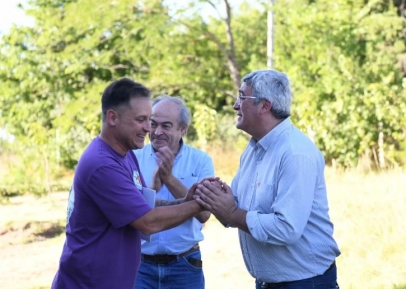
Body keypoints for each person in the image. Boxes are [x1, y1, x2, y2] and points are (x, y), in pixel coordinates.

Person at [52, 78, 205, 289]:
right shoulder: (102, 164)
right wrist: (200, 204)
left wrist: (183, 201)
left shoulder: (124, 153)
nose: (148, 129)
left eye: (149, 120)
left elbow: (140, 205)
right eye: (141, 120)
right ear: (113, 117)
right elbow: (147, 222)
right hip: (89, 283)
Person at [194, 69, 341, 289]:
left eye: (242, 97)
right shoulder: (254, 149)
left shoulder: (295, 153)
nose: (235, 105)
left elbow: (286, 228)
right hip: (269, 283)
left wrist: (232, 213)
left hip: (306, 283)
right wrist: (216, 196)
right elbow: (234, 210)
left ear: (265, 106)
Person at [134, 95, 214, 289]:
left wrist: (169, 179)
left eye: (166, 126)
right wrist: (153, 187)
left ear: (182, 130)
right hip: (140, 267)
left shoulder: (201, 161)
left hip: (185, 265)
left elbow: (204, 215)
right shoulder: (133, 158)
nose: (157, 132)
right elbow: (134, 210)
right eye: (153, 124)